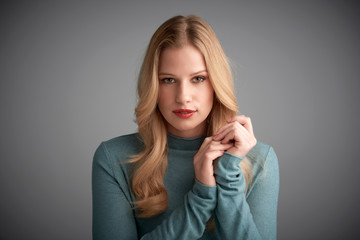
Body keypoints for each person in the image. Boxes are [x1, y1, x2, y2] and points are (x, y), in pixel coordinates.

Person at [92, 15, 279, 240]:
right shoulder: (115, 158)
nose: (183, 97)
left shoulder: (259, 159)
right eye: (168, 80)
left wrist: (228, 175)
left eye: (198, 79)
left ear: (216, 83)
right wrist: (201, 198)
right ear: (152, 85)